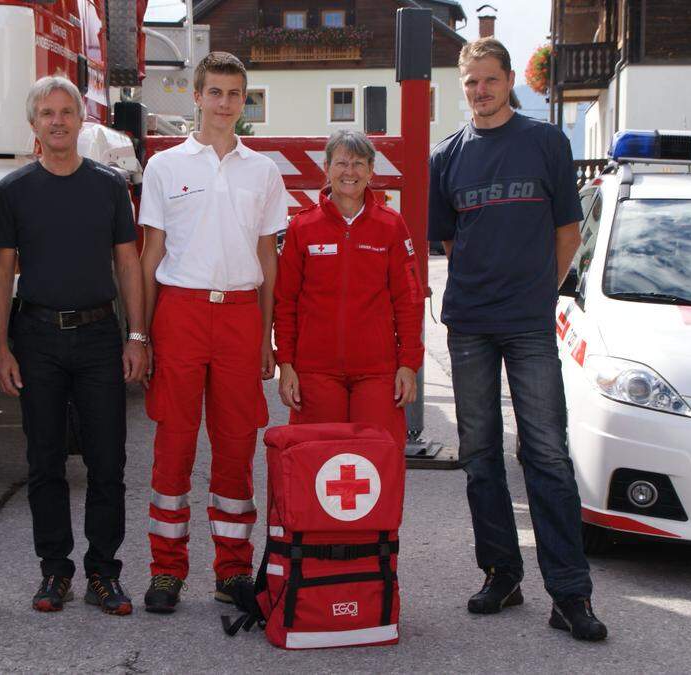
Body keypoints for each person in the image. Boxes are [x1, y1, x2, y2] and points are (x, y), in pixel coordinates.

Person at [428, 38, 608, 641]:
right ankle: (501, 575)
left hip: (529, 324)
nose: (480, 92)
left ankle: (570, 594)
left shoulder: (546, 143)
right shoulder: (446, 157)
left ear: (509, 81)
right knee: (480, 457)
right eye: (470, 83)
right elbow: (453, 244)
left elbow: (567, 231)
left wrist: (537, 293)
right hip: (471, 325)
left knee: (547, 457)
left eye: (489, 80)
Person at [0, 76, 147, 616]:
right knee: (45, 462)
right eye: (47, 113)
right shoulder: (13, 191)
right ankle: (54, 572)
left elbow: (128, 262)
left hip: (101, 336)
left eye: (66, 112)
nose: (58, 121)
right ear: (33, 123)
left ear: (82, 121)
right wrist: (1, 349)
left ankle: (104, 573)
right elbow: (1, 271)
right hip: (37, 339)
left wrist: (137, 336)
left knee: (108, 463)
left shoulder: (107, 186)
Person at [137, 52, 286, 613]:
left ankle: (231, 571)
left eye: (234, 94)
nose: (224, 104)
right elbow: (151, 254)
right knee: (173, 445)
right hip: (179, 311)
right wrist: (142, 334)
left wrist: (268, 337)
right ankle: (167, 570)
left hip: (241, 315)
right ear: (196, 96)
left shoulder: (263, 171)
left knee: (235, 447)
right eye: (215, 92)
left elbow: (268, 259)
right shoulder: (165, 167)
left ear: (243, 102)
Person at [274, 130, 424, 444]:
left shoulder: (391, 225)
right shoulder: (302, 227)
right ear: (327, 168)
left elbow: (409, 300)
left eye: (358, 164)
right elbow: (285, 301)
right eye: (341, 163)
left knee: (376, 463)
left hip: (377, 371)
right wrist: (285, 364)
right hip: (315, 371)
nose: (350, 172)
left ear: (371, 171)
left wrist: (409, 364)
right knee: (316, 463)